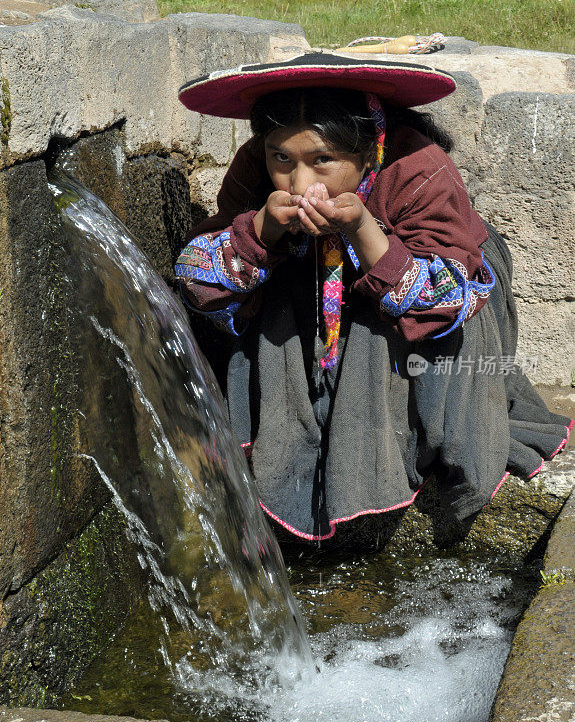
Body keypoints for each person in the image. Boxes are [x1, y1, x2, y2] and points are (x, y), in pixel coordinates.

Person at [175, 52, 572, 547]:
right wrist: (262, 230)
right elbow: (195, 277)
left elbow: (446, 297)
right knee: (272, 303)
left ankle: (378, 455)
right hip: (310, 299)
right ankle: (291, 441)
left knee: (372, 329)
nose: (300, 184)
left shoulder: (417, 169)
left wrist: (363, 229)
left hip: (420, 319)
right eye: (283, 159)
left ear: (367, 152)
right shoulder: (254, 172)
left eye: (322, 160)